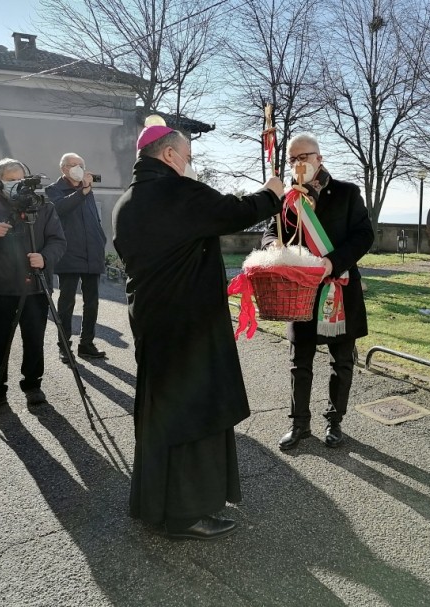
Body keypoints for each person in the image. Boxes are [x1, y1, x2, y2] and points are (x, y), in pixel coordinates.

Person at [113, 125, 284, 540]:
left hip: (152, 320)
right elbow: (234, 211)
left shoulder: (127, 200)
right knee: (195, 413)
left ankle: (155, 503)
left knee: (161, 411)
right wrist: (272, 192)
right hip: (188, 324)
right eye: (187, 156)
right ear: (169, 155)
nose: (189, 164)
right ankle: (185, 514)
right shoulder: (176, 191)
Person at [261, 132, 374, 451]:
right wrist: (273, 246)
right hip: (301, 292)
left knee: (342, 361)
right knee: (300, 361)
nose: (298, 164)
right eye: (292, 159)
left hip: (339, 287)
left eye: (303, 157)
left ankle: (335, 422)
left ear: (319, 158)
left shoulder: (347, 192)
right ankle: (299, 424)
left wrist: (332, 262)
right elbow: (270, 233)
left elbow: (364, 235)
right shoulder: (287, 198)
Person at [0, 158, 67, 415]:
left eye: (20, 179)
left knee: (34, 340)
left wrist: (45, 258)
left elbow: (58, 241)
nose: (17, 184)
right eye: (10, 180)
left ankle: (33, 386)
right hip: (1, 289)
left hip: (36, 286)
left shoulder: (43, 207)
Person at [45, 153, 108, 362]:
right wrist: (82, 191)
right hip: (69, 253)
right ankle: (64, 346)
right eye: (72, 165)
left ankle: (86, 343)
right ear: (63, 169)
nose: (77, 168)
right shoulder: (53, 190)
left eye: (80, 164)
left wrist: (100, 238)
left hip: (92, 252)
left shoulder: (86, 188)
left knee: (92, 302)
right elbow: (59, 209)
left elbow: (93, 218)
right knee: (67, 302)